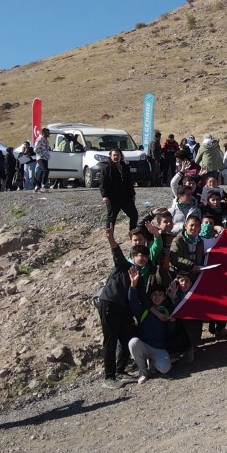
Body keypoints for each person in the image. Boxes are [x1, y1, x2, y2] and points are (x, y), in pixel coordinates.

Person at [95, 228, 148, 387]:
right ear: (132, 256)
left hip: (124, 309)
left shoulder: (140, 277)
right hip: (110, 303)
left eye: (146, 255)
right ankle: (109, 377)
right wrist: (110, 237)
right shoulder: (124, 266)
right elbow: (116, 250)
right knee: (110, 340)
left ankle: (119, 369)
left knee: (128, 337)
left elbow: (142, 298)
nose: (143, 258)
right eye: (139, 255)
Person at [100, 147, 139, 235]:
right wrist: (104, 196)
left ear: (121, 156)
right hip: (113, 198)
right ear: (110, 156)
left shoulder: (125, 167)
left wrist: (132, 194)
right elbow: (102, 183)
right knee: (111, 219)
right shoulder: (106, 168)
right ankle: (110, 236)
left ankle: (133, 233)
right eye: (114, 155)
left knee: (134, 215)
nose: (116, 157)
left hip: (126, 197)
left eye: (118, 155)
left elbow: (130, 182)